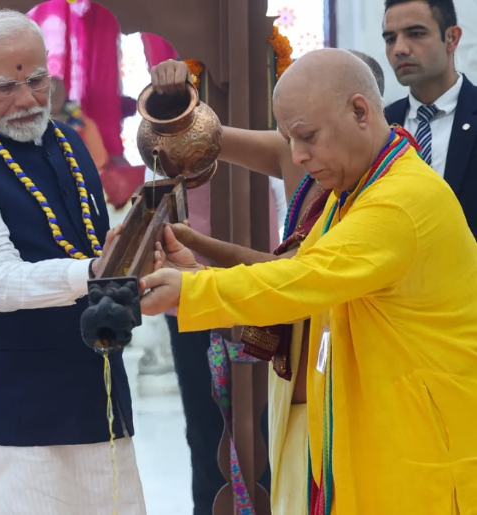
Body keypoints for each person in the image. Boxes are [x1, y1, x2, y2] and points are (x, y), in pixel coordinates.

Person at [141, 48, 477, 515]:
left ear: (360, 110)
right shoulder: (354, 193)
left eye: (307, 137)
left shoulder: (399, 201)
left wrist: (192, 291)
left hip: (418, 457)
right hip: (367, 440)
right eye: (290, 139)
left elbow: (302, 279)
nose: (297, 156)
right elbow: (298, 272)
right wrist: (194, 275)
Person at [0, 10, 145, 515]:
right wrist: (94, 272)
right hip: (3, 412)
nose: (25, 100)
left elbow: (95, 246)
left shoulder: (68, 142)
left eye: (37, 81)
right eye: (4, 86)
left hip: (91, 394)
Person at [383, 0, 477, 236]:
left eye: (415, 34)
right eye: (390, 38)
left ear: (451, 38)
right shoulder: (381, 125)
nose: (399, 49)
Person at [50, 77, 110, 170]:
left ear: (65, 94)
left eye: (58, 92)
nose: (54, 96)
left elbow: (98, 160)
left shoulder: (84, 124)